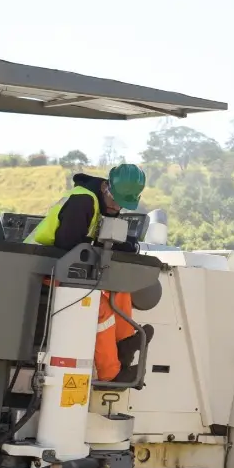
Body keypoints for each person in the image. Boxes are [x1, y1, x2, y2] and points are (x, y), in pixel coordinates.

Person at [27, 164, 152, 382]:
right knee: (99, 308)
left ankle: (125, 344)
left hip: (55, 267)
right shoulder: (83, 201)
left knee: (119, 288)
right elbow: (69, 245)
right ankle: (111, 374)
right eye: (115, 201)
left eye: (122, 205)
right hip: (38, 271)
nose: (116, 208)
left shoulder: (95, 202)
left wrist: (120, 244)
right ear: (106, 188)